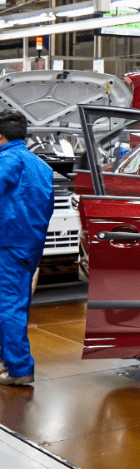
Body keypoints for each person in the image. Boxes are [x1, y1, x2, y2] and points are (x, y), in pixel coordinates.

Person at [0, 109, 54, 386]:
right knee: (15, 303)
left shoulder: (7, 161)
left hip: (6, 245)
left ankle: (19, 369)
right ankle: (8, 361)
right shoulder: (41, 166)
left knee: (7, 306)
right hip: (29, 247)